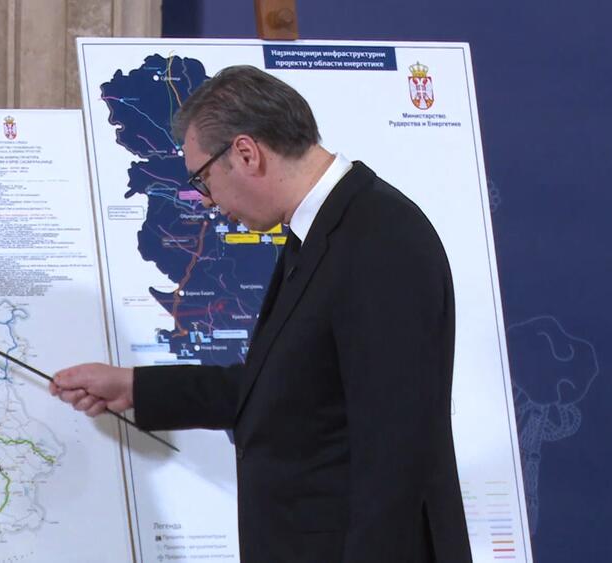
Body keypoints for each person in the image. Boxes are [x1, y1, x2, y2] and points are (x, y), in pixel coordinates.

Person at [50, 65, 472, 562]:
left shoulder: (379, 238)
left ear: (246, 153)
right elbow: (286, 388)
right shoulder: (320, 232)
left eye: (203, 179)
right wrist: (134, 387)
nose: (207, 201)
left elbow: (395, 450)